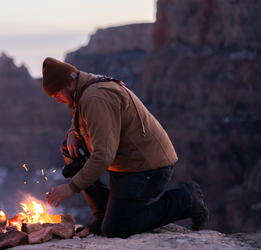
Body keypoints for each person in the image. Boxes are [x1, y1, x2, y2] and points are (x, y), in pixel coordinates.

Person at [42, 57, 209, 238]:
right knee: (69, 149)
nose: (58, 100)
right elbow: (90, 119)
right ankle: (102, 215)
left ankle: (185, 199)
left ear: (67, 84)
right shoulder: (84, 89)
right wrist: (73, 132)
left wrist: (72, 187)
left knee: (115, 228)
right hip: (127, 162)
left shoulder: (95, 97)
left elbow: (103, 156)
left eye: (56, 95)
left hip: (147, 167)